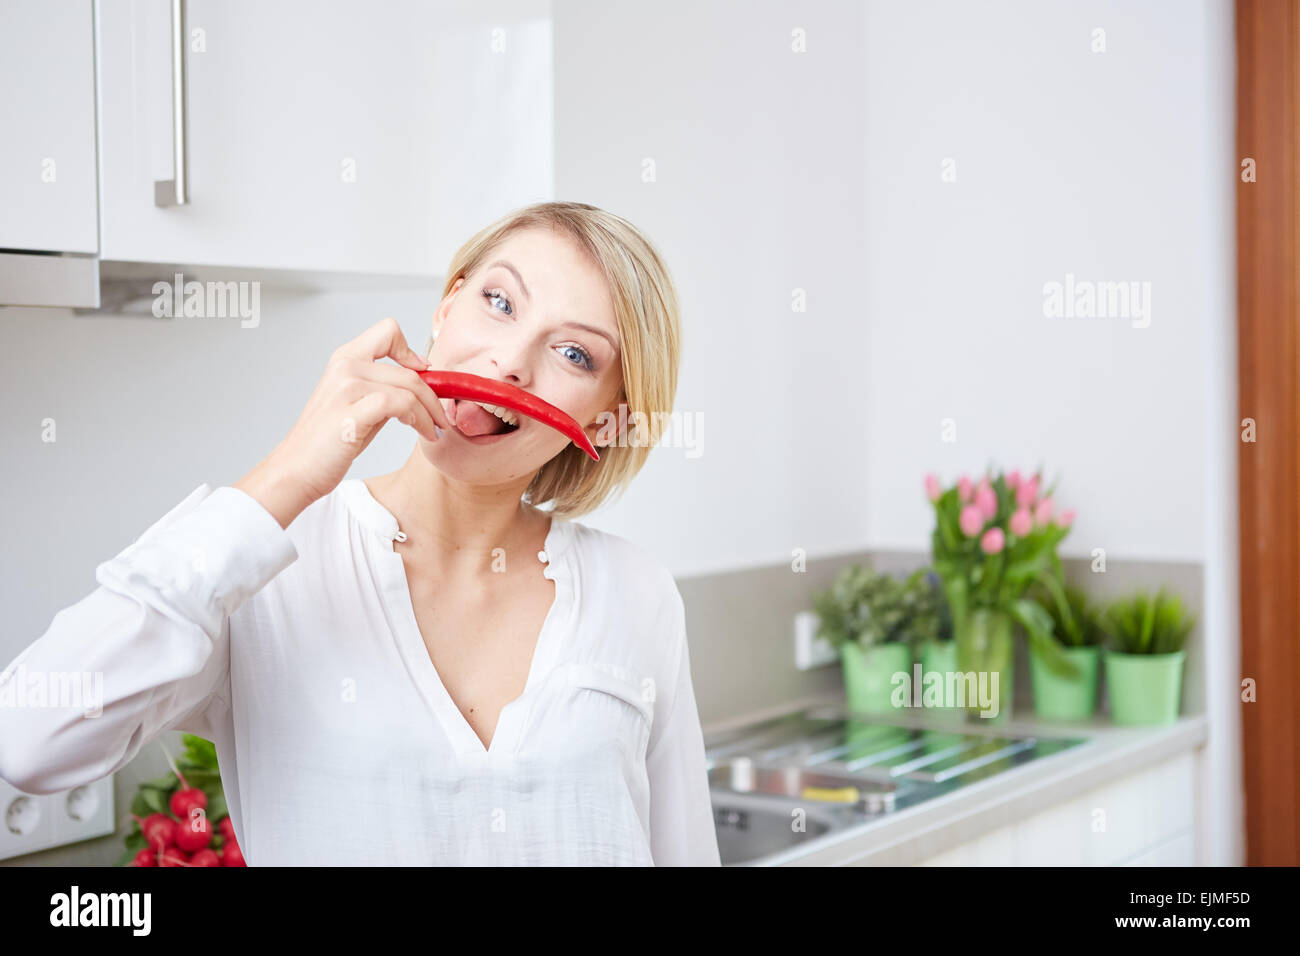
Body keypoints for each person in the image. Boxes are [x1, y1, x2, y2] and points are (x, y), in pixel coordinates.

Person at [0, 201, 721, 866]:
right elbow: (29, 738)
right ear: (447, 306)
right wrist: (288, 476)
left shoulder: (637, 594)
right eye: (499, 302)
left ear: (602, 419)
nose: (507, 363)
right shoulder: (267, 569)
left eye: (574, 355)